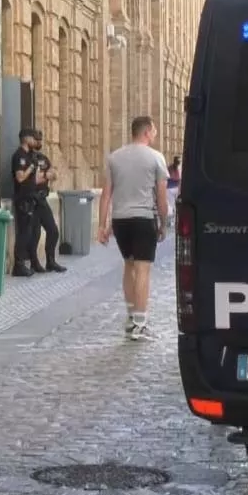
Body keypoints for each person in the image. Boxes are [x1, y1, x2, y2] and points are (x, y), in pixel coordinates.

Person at [97, 116, 169, 340]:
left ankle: (131, 318)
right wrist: (164, 223)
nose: (155, 133)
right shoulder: (156, 158)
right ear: (147, 132)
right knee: (143, 270)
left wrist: (102, 225)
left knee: (129, 266)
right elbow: (161, 196)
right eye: (154, 130)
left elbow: (106, 193)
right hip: (143, 218)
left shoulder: (114, 157)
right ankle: (140, 323)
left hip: (121, 220)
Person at [29, 137, 67, 274]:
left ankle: (51, 261)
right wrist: (47, 175)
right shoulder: (26, 158)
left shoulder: (43, 158)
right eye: (37, 139)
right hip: (31, 200)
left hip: (42, 200)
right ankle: (34, 263)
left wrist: (45, 175)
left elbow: (55, 174)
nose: (40, 142)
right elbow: (33, 179)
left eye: (40, 139)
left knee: (53, 230)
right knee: (35, 234)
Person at [10, 128, 42, 277]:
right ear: (25, 138)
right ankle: (18, 264)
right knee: (23, 233)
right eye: (32, 138)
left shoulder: (29, 156)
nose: (34, 141)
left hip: (31, 198)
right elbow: (20, 178)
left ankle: (26, 262)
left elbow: (33, 179)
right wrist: (30, 167)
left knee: (30, 232)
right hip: (22, 199)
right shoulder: (19, 156)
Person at [166, 155, 182, 225]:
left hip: (174, 188)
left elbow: (180, 179)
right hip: (170, 189)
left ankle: (174, 220)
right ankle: (171, 220)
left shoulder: (177, 168)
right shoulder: (170, 168)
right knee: (171, 205)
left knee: (173, 205)